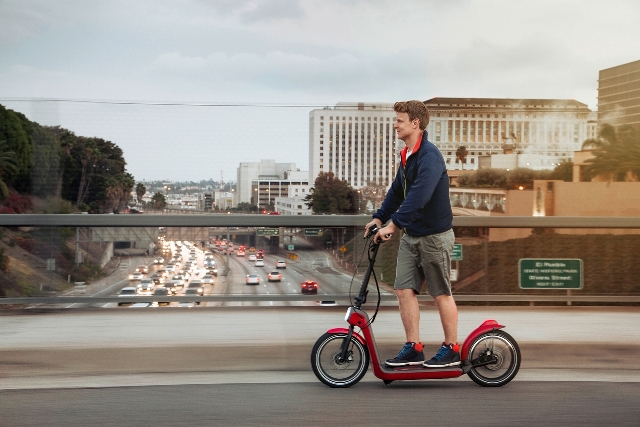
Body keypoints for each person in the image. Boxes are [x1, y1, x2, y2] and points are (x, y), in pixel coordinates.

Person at [364, 100, 458, 368]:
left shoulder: (429, 156)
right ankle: (414, 347)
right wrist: (379, 216)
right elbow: (397, 191)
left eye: (400, 120)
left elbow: (419, 196)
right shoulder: (407, 154)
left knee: (440, 293)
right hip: (412, 235)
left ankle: (451, 347)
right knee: (404, 289)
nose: (395, 124)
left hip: (434, 236)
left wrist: (393, 225)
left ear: (415, 123)